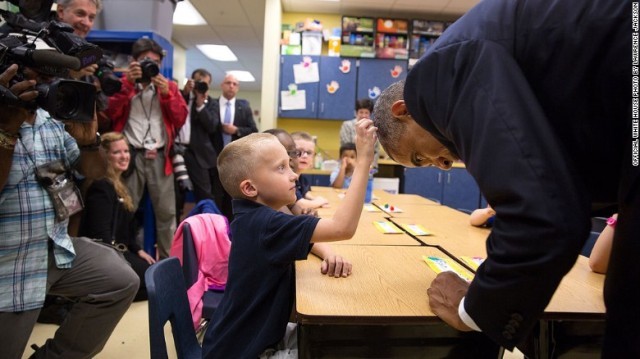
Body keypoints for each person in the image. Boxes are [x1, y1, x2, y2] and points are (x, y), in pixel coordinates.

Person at [371, 0, 634, 356]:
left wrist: (472, 311)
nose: (442, 165)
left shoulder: (435, 79)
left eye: (420, 156)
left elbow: (544, 217)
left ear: (403, 112)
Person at [202, 119, 376, 358]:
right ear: (250, 188)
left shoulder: (255, 216)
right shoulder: (267, 224)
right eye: (281, 168)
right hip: (246, 351)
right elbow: (342, 228)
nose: (294, 175)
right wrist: (364, 159)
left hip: (237, 340)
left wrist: (328, 253)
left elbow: (306, 236)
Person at [0, 64, 139, 358]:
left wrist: (89, 142)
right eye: (33, 76)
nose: (43, 86)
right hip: (8, 261)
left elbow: (95, 171)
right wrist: (7, 132)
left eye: (49, 78)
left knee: (119, 279)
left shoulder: (51, 121)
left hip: (54, 247)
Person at [106, 37, 188, 259]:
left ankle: (169, 266)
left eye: (154, 62)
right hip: (130, 155)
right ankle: (120, 258)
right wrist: (128, 86)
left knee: (167, 214)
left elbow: (180, 118)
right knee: (125, 209)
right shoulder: (123, 83)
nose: (149, 66)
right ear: (134, 62)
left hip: (161, 157)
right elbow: (109, 113)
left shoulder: (168, 87)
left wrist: (168, 95)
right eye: (144, 61)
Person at [80, 132, 156, 301]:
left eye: (126, 151)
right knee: (155, 283)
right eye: (117, 152)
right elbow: (100, 237)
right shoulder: (101, 187)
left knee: (157, 274)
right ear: (105, 156)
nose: (124, 156)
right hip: (106, 256)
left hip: (121, 252)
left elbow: (126, 231)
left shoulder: (118, 186)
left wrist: (138, 250)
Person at [211, 73, 258, 221]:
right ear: (222, 85)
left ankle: (231, 229)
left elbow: (253, 130)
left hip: (235, 159)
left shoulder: (243, 106)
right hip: (213, 157)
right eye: (228, 83)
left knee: (232, 196)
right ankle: (215, 228)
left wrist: (236, 130)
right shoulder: (212, 104)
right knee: (215, 195)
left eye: (234, 84)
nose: (231, 86)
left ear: (237, 88)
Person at [174, 68, 220, 219]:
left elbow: (212, 126)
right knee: (175, 195)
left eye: (204, 84)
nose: (200, 87)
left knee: (205, 195)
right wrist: (186, 94)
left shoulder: (211, 103)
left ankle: (209, 228)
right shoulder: (180, 97)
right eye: (197, 82)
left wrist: (201, 105)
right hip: (175, 151)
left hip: (199, 155)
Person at [291, 131, 329, 209]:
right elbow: (300, 205)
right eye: (299, 151)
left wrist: (315, 200)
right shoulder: (289, 179)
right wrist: (319, 202)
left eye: (309, 152)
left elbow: (304, 193)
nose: (305, 156)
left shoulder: (301, 178)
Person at [340, 98, 379, 166]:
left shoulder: (373, 129)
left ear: (370, 114)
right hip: (349, 164)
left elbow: (375, 151)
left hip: (368, 166)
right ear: (356, 113)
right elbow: (346, 148)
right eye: (361, 112)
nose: (363, 115)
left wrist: (372, 166)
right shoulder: (347, 125)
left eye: (366, 112)